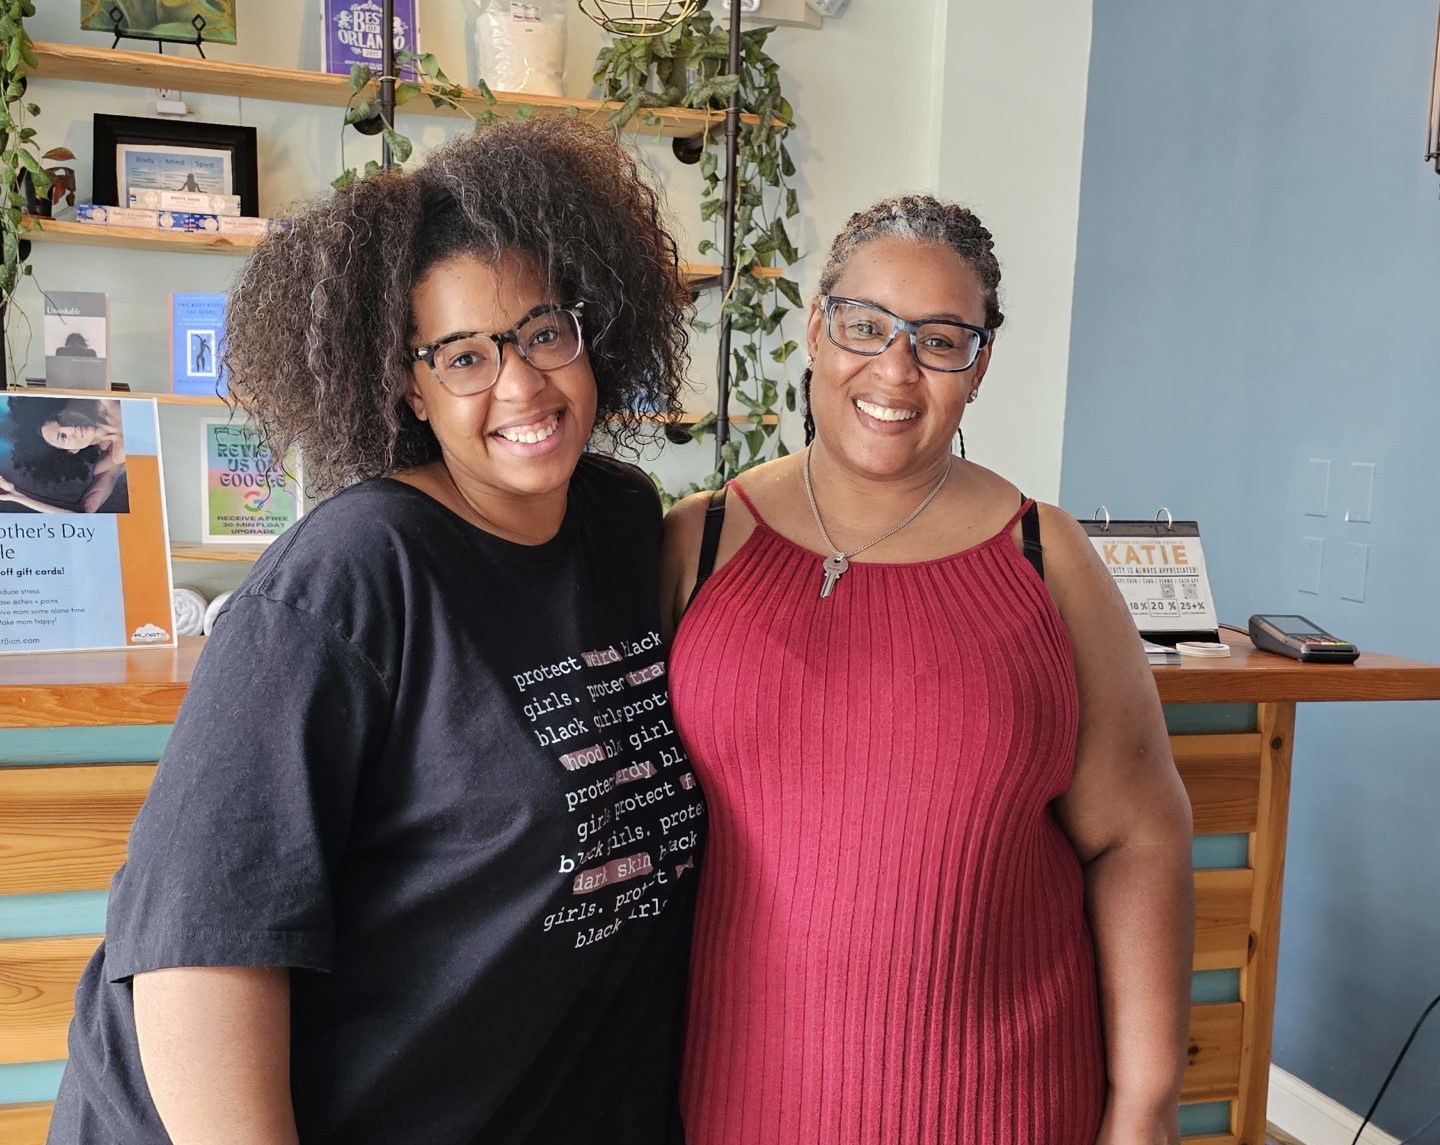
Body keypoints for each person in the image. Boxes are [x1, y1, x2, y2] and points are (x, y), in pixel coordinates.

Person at [48, 117, 706, 1145]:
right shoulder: (351, 574)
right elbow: (199, 952)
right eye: (465, 354)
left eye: (542, 331)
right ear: (406, 382)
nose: (522, 384)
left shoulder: (621, 521)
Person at [660, 195, 1194, 1145]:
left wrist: (1144, 1107)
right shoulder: (698, 543)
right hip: (744, 1099)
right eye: (867, 325)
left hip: (1008, 1106)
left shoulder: (1047, 556)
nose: (895, 369)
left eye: (941, 340)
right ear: (816, 331)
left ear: (979, 366)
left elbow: (1139, 836)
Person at [0, 396, 127, 513]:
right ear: (73, 451)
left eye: (62, 419)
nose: (70, 428)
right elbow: (83, 512)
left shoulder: (102, 400)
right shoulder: (109, 462)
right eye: (63, 436)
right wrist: (17, 496)